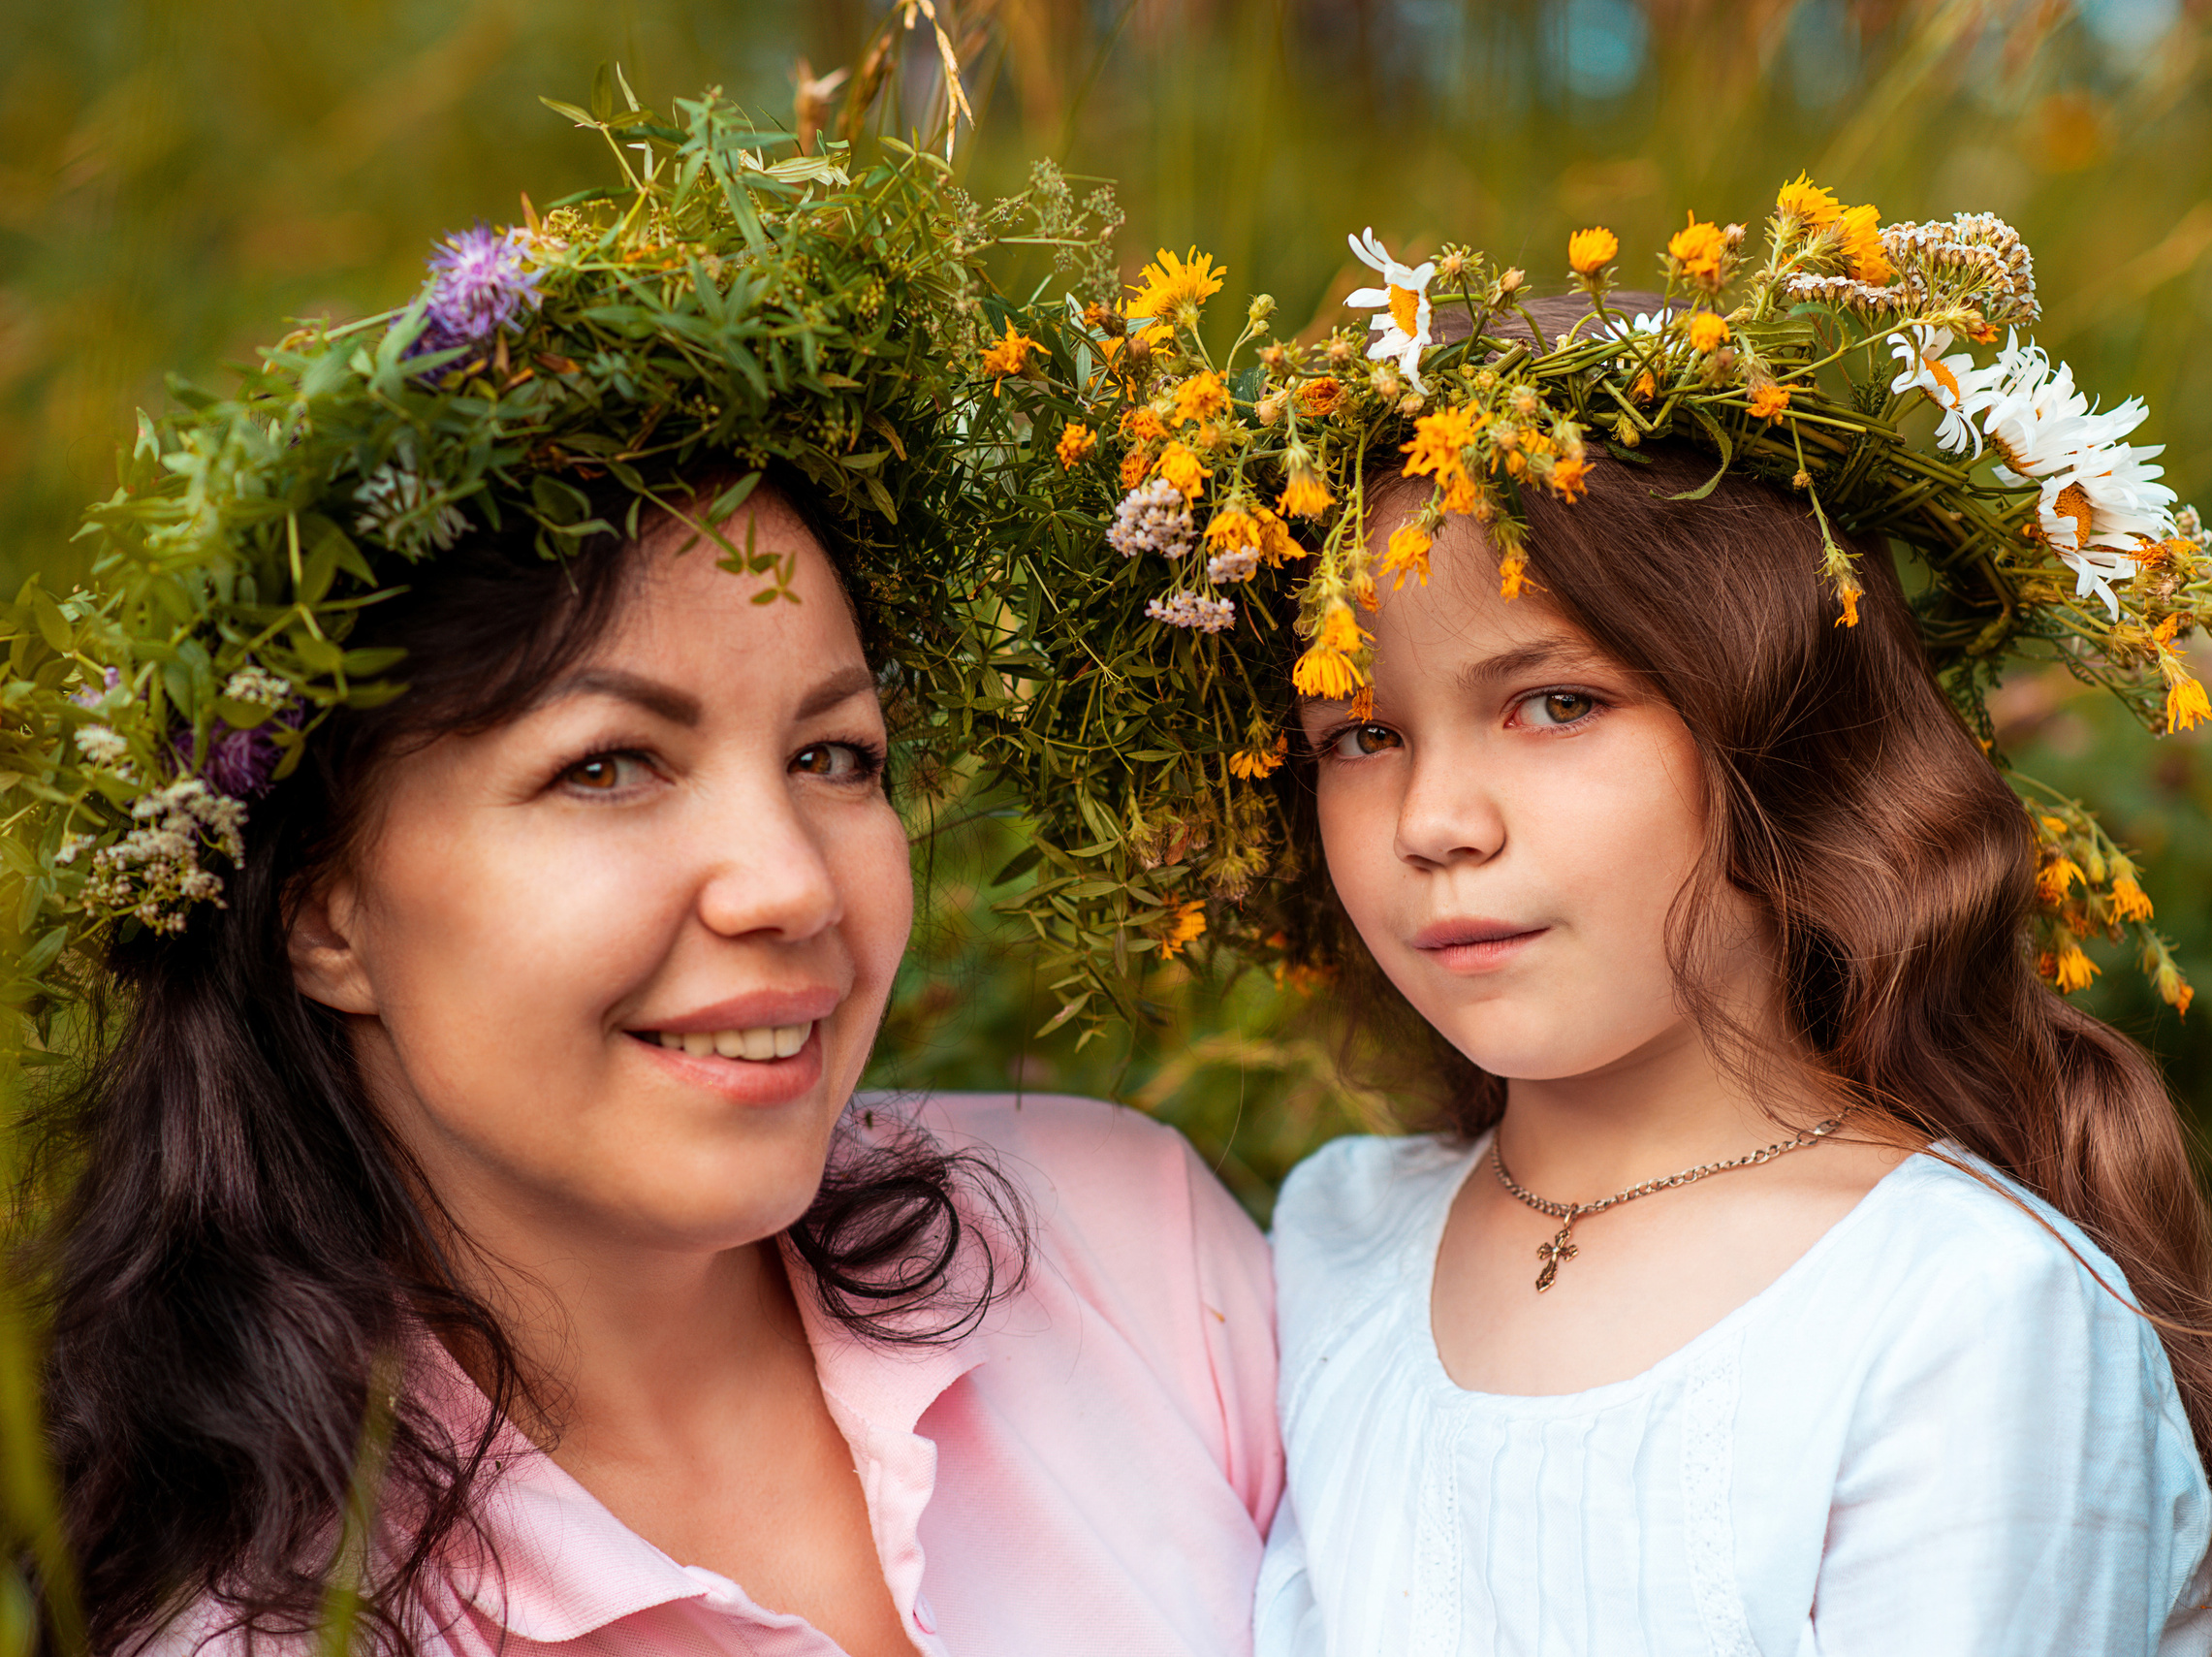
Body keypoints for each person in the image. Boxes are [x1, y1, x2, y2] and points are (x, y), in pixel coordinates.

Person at [972, 195, 2212, 1655]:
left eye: (1556, 704)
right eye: (1358, 734)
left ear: (1780, 730)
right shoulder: (1343, 1242)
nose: (1435, 820)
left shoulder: (1965, 1315)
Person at [8, 104, 1276, 1657]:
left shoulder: (1125, 1246)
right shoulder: (259, 1623)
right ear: (321, 906)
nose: (785, 887)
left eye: (836, 755)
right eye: (607, 765)